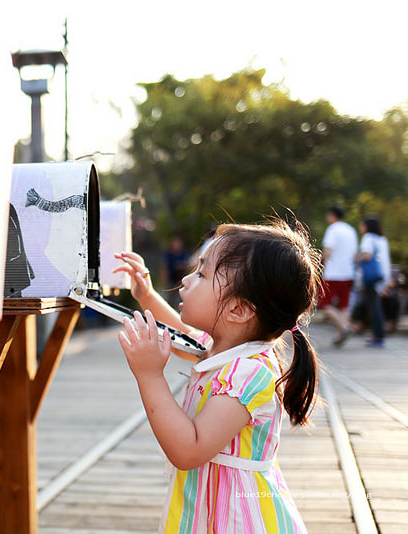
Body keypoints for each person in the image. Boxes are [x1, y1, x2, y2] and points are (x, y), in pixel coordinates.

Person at [113, 220, 319, 533]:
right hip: (208, 507)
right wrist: (147, 296)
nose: (185, 280)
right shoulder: (223, 346)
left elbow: (188, 449)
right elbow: (182, 335)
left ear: (238, 310)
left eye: (201, 274)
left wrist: (150, 375)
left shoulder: (249, 372)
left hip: (237, 518)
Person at [319, 206, 359, 347]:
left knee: (323, 303)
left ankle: (346, 326)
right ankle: (340, 334)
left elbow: (328, 251)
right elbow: (355, 253)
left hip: (333, 273)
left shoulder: (332, 229)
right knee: (344, 306)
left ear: (331, 215)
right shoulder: (351, 230)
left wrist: (319, 262)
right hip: (348, 272)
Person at [356, 216, 391, 348]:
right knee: (375, 306)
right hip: (381, 276)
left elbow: (367, 255)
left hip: (371, 277)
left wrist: (356, 257)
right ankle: (377, 335)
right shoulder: (382, 239)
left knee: (373, 307)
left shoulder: (368, 238)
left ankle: (378, 336)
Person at [162, 236, 191, 308]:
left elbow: (187, 264)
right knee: (170, 297)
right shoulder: (169, 254)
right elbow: (164, 266)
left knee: (179, 298)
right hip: (171, 278)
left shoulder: (183, 254)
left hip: (180, 279)